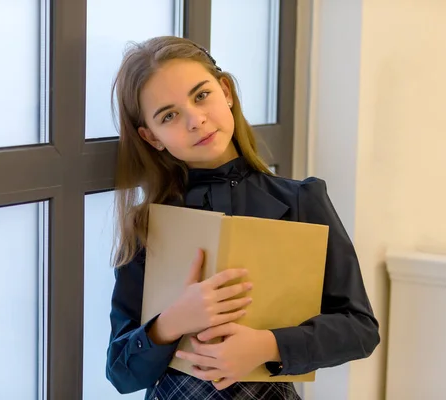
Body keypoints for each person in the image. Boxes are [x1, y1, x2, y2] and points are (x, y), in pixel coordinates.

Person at [105, 36, 380, 400]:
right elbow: (120, 373)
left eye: (201, 95)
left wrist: (266, 345)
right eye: (169, 115)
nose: (195, 120)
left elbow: (360, 329)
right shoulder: (148, 224)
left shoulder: (302, 201)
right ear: (151, 137)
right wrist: (171, 322)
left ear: (226, 91)